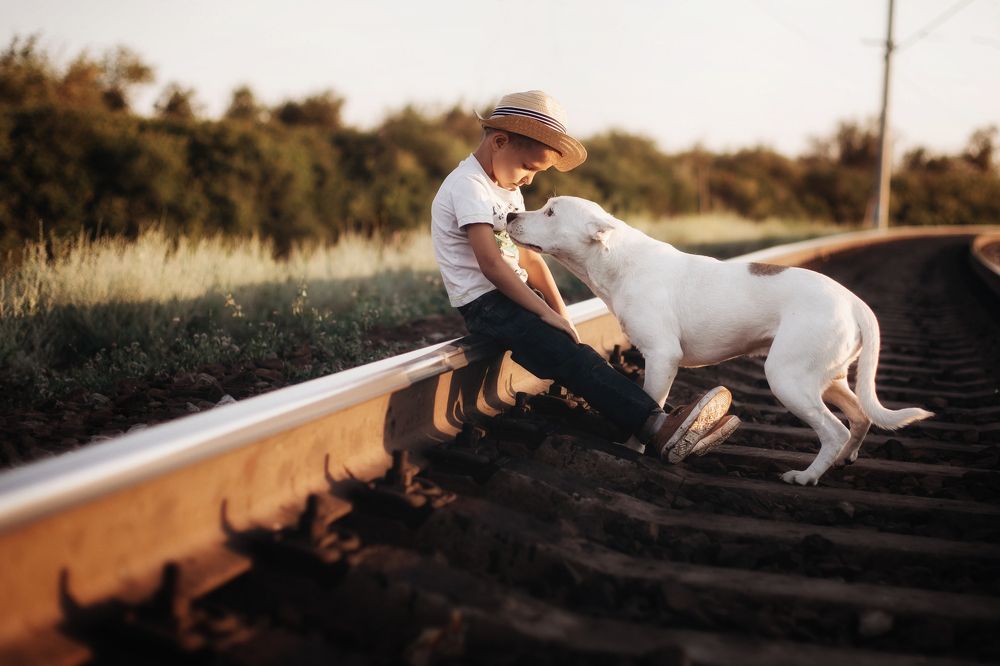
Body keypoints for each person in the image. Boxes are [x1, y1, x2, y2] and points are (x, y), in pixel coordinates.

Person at [430, 90, 739, 462]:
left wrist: (560, 312)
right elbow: (492, 266)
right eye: (529, 168)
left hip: (512, 295)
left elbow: (530, 261)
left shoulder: (504, 188)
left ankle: (641, 422)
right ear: (499, 142)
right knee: (570, 359)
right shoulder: (469, 187)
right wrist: (544, 314)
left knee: (574, 351)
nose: (529, 180)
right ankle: (657, 427)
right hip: (486, 304)